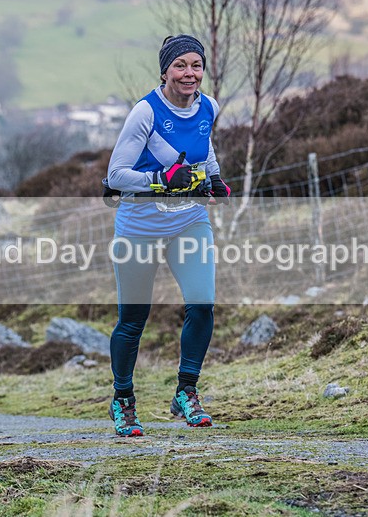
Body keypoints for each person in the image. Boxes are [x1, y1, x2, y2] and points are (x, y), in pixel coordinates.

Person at [105, 34, 232, 437]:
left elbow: (204, 148)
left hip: (188, 222)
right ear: (165, 71)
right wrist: (160, 178)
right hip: (139, 226)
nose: (189, 73)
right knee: (133, 320)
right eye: (180, 66)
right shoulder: (145, 112)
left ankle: (186, 392)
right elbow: (115, 175)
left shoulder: (208, 106)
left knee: (202, 304)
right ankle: (123, 400)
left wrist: (213, 179)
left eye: (196, 65)